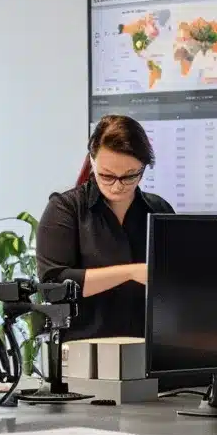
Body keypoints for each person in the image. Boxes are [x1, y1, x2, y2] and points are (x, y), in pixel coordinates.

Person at [36, 114, 175, 341]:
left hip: (147, 348)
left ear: (143, 167)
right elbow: (53, 285)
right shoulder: (66, 209)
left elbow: (174, 282)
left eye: (129, 176)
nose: (117, 185)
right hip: (84, 351)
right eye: (107, 176)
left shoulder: (158, 209)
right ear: (92, 160)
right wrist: (130, 273)